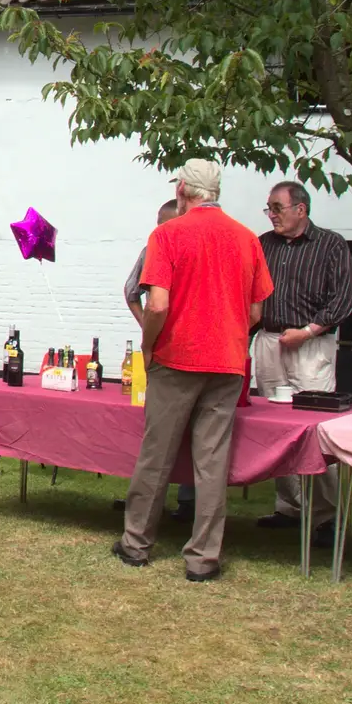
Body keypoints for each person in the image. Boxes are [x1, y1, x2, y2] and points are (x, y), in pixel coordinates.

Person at [114, 159, 273, 582]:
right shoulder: (247, 239)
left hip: (178, 358)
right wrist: (229, 333)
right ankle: (203, 557)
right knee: (212, 462)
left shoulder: (167, 235)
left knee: (156, 454)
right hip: (227, 362)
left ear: (182, 188)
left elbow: (158, 304)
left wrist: (149, 347)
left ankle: (136, 543)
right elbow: (257, 309)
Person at [254, 180, 352, 549]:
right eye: (268, 208)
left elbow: (344, 299)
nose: (271, 215)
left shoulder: (331, 245)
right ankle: (290, 507)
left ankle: (328, 517)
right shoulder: (264, 244)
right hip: (268, 340)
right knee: (274, 427)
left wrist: (308, 331)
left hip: (311, 344)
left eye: (277, 208)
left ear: (301, 209)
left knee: (314, 429)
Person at [124, 199, 195, 523]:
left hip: (191, 354)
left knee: (189, 434)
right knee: (163, 433)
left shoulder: (190, 245)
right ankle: (157, 509)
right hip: (173, 353)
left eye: (163, 222)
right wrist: (149, 332)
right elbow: (133, 293)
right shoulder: (155, 248)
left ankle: (185, 500)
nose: (159, 230)